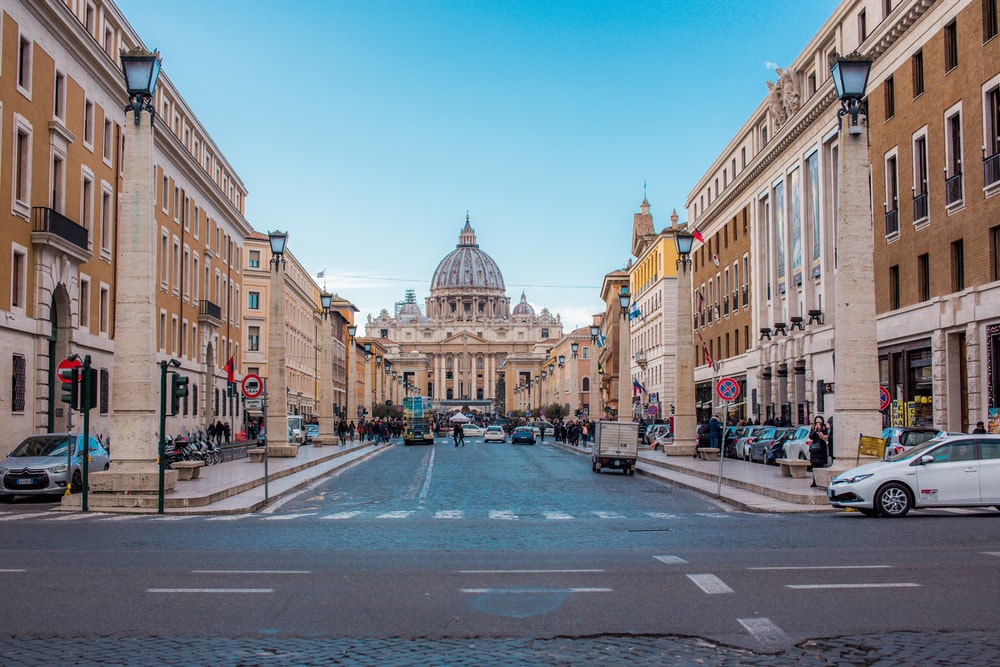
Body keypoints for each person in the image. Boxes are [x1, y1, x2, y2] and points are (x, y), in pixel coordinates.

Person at [808, 416, 829, 487]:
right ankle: (814, 481)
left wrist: (820, 431)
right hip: (815, 449)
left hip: (821, 449)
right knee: (815, 466)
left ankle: (820, 480)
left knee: (821, 466)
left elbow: (825, 436)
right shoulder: (813, 428)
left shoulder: (824, 428)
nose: (818, 424)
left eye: (819, 422)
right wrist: (815, 430)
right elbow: (810, 436)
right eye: (817, 422)